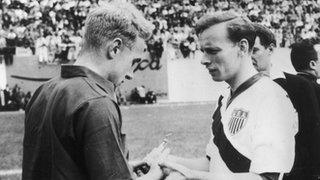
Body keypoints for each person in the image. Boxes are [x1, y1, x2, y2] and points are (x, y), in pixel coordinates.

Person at [22, 2, 165, 180]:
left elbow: (62, 164)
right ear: (115, 48)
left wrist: (122, 166)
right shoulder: (96, 101)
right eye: (133, 62)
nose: (131, 75)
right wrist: (155, 175)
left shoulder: (43, 91)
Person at [161, 11, 298, 180]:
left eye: (212, 51)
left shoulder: (272, 99)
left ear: (242, 47)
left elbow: (267, 178)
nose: (203, 60)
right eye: (203, 51)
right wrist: (168, 162)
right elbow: (212, 163)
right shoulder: (225, 98)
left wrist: (192, 176)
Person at [252, 23, 320, 180]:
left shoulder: (299, 86)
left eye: (254, 50)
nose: (249, 57)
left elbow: (312, 135)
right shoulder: (231, 93)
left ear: (270, 49)